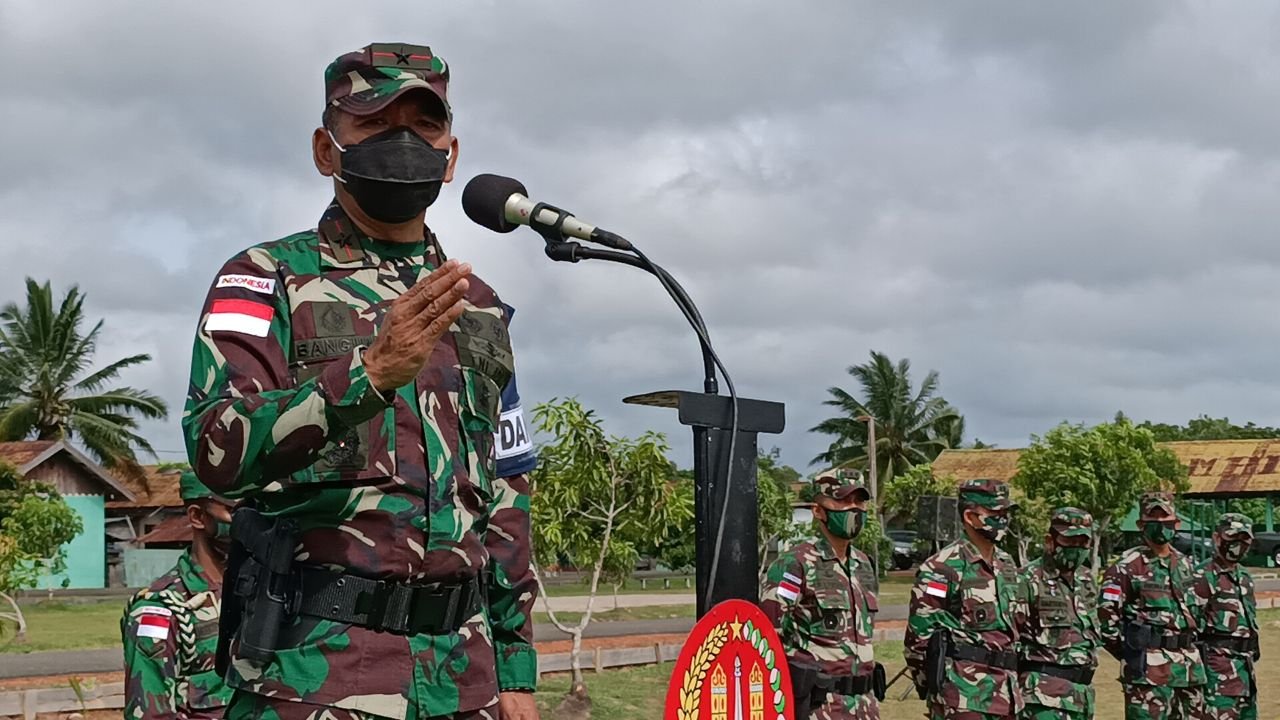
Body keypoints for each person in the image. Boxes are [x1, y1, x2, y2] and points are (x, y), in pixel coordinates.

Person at [181, 43, 538, 720]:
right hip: (313, 675)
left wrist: (515, 666)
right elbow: (215, 450)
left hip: (465, 681)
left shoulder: (480, 306)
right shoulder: (264, 278)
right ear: (326, 148)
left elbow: (506, 492)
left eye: (423, 127)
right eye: (374, 124)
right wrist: (366, 377)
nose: (403, 143)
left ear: (452, 154)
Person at [761, 469, 882, 719]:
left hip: (865, 705)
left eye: (858, 501)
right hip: (820, 707)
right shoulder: (795, 564)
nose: (853, 508)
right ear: (818, 511)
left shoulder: (864, 564)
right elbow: (769, 639)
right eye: (842, 500)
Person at [904, 478, 1021, 720]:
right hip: (964, 697)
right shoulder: (941, 568)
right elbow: (919, 639)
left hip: (1008, 696)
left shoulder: (1007, 564)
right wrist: (936, 690)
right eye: (994, 512)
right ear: (970, 517)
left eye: (1005, 512)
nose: (1003, 519)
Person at [121, 471, 234, 719]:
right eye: (234, 510)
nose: (250, 521)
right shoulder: (159, 610)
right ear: (197, 516)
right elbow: (150, 713)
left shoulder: (262, 594)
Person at [1098, 492, 1205, 720]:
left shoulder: (1186, 565)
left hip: (1189, 672)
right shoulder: (1126, 567)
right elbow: (1106, 623)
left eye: (1165, 520)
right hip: (1148, 675)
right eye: (1152, 521)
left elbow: (1198, 615)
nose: (1159, 526)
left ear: (1176, 523)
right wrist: (1135, 652)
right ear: (1141, 525)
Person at [1014, 507, 1101, 720]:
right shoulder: (1027, 580)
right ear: (1050, 541)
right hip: (1042, 697)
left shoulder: (1087, 580)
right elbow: (1011, 639)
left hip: (1081, 696)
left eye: (1083, 543)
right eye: (1070, 541)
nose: (1077, 548)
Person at [1193, 513, 1260, 720]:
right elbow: (1192, 628)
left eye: (1243, 540)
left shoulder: (1244, 577)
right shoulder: (1203, 575)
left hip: (1245, 673)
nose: (1237, 545)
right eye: (1232, 538)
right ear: (1217, 538)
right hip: (1217, 678)